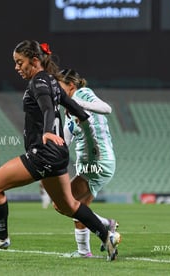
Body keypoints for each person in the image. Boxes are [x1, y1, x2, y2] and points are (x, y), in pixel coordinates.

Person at [0, 40, 120, 261]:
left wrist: (48, 130)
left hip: (43, 152)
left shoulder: (39, 80)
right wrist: (83, 118)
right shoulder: (51, 81)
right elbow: (70, 105)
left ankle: (1, 237)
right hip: (58, 154)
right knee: (68, 205)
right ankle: (106, 234)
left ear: (34, 60)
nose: (16, 67)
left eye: (19, 62)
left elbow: (48, 107)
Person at [58, 69, 118, 258]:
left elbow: (106, 108)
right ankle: (84, 251)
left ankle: (106, 226)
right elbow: (64, 143)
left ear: (71, 86)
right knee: (79, 209)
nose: (58, 92)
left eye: (61, 88)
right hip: (92, 164)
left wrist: (78, 103)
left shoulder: (83, 94)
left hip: (97, 162)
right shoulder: (68, 111)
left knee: (62, 203)